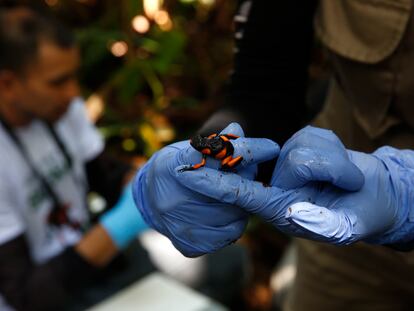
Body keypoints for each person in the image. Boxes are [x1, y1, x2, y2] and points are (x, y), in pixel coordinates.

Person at [133, 0, 414, 310]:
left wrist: (404, 191)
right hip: (339, 202)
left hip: (378, 194)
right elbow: (265, 83)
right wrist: (188, 176)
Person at [0, 5, 153, 310]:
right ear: (7, 84)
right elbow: (26, 295)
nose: (73, 93)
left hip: (88, 262)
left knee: (225, 262)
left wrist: (147, 179)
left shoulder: (58, 109)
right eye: (58, 82)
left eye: (74, 77)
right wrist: (121, 224)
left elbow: (104, 175)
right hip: (45, 294)